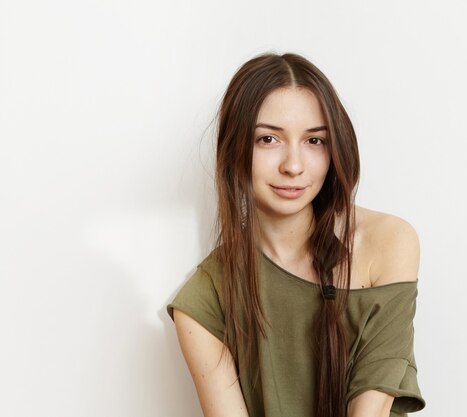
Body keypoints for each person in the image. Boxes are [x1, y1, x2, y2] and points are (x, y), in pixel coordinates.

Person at [167, 52, 425, 417]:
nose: (293, 165)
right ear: (235, 149)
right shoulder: (206, 299)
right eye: (268, 139)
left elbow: (371, 409)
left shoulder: (388, 242)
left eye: (314, 141)